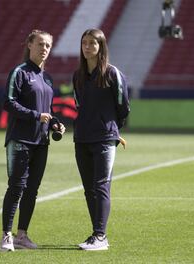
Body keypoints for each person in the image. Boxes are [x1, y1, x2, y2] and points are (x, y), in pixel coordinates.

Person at [0, 29, 65, 252]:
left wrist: (55, 122)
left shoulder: (47, 77)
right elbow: (8, 103)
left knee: (32, 190)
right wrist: (36, 116)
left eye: (48, 45)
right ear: (29, 45)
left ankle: (22, 235)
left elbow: (48, 110)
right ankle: (6, 235)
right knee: (16, 187)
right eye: (40, 44)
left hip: (41, 141)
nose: (44, 48)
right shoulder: (19, 72)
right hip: (20, 139)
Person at [72, 28, 130, 251]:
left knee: (101, 186)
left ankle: (100, 236)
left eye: (92, 43)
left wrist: (113, 129)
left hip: (105, 139)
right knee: (89, 189)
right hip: (82, 139)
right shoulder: (77, 75)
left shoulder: (113, 74)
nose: (87, 47)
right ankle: (96, 234)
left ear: (101, 46)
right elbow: (79, 105)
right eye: (84, 43)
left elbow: (123, 106)